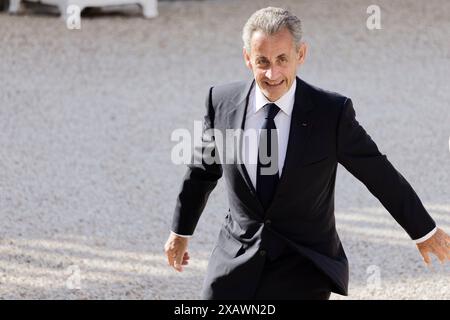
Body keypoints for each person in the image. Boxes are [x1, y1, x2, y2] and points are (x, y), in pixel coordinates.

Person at [164, 7, 449, 300]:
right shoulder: (221, 102)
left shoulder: (331, 113)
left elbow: (378, 173)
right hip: (235, 255)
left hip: (304, 260)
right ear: (247, 58)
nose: (272, 73)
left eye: (282, 60)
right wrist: (180, 232)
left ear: (301, 55)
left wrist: (424, 231)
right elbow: (202, 172)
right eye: (262, 61)